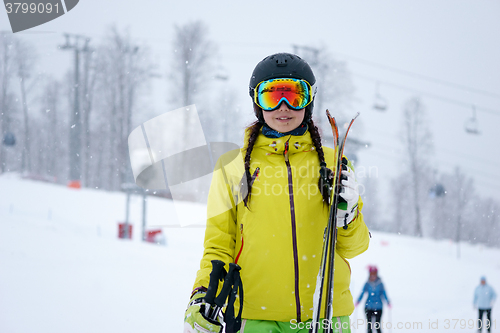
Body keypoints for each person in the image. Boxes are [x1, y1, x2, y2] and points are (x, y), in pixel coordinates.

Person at [184, 53, 370, 333]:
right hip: (255, 315)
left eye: (294, 95)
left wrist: (349, 217)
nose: (283, 107)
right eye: (272, 96)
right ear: (257, 103)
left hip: (325, 315)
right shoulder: (232, 167)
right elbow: (218, 244)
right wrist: (202, 294)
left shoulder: (334, 163)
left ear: (309, 100)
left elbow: (355, 248)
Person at [355, 266, 390, 333]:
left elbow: (384, 293)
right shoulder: (367, 284)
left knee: (377, 325)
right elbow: (362, 293)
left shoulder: (380, 284)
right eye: (371, 274)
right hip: (368, 307)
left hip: (378, 307)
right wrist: (358, 301)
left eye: (374, 274)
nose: (373, 276)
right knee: (369, 325)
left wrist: (388, 302)